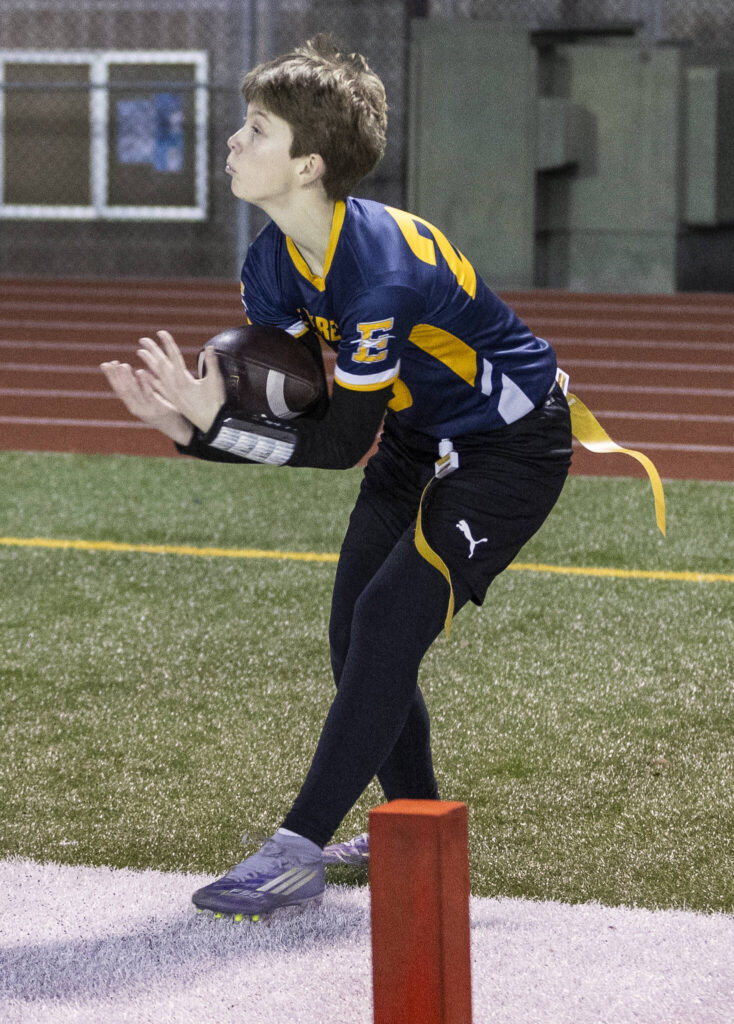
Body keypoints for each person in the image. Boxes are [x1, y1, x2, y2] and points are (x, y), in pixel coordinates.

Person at [101, 34, 573, 920]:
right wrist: (186, 429)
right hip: (414, 440)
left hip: (509, 449)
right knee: (354, 638)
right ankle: (412, 822)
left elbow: (336, 443)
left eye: (255, 130)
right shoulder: (271, 262)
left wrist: (209, 427)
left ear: (309, 163)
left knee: (387, 621)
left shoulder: (379, 276)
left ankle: (297, 849)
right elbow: (312, 422)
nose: (234, 144)